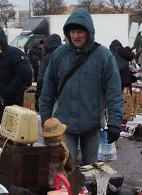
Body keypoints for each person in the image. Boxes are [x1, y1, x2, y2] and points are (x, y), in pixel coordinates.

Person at [38, 8, 123, 165]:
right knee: (65, 168)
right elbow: (47, 91)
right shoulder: (59, 55)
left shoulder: (103, 56)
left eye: (80, 32)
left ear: (88, 33)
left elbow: (114, 92)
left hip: (92, 125)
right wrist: (45, 120)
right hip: (64, 125)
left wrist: (115, 122)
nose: (76, 36)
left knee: (93, 171)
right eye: (72, 32)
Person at [42, 117, 74, 188]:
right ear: (60, 135)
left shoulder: (43, 150)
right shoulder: (63, 150)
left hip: (46, 184)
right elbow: (69, 168)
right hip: (61, 183)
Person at [35, 33, 61, 110]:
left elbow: (41, 80)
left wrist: (38, 98)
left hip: (48, 96)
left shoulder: (46, 58)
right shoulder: (64, 56)